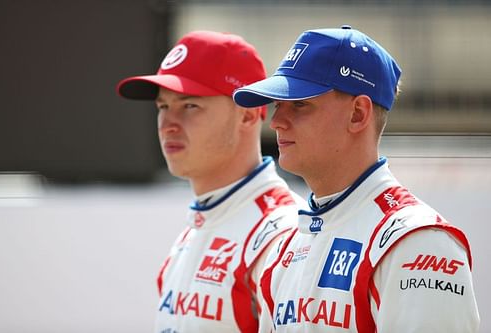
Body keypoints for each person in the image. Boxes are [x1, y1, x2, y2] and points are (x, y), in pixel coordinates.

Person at [233, 25, 480, 332]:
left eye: (299, 105)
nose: (277, 121)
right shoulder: (285, 248)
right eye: (278, 105)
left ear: (358, 114)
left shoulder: (417, 242)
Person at [116, 30, 303, 333]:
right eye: (162, 106)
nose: (168, 125)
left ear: (247, 114)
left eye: (190, 105)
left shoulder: (285, 236)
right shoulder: (191, 235)